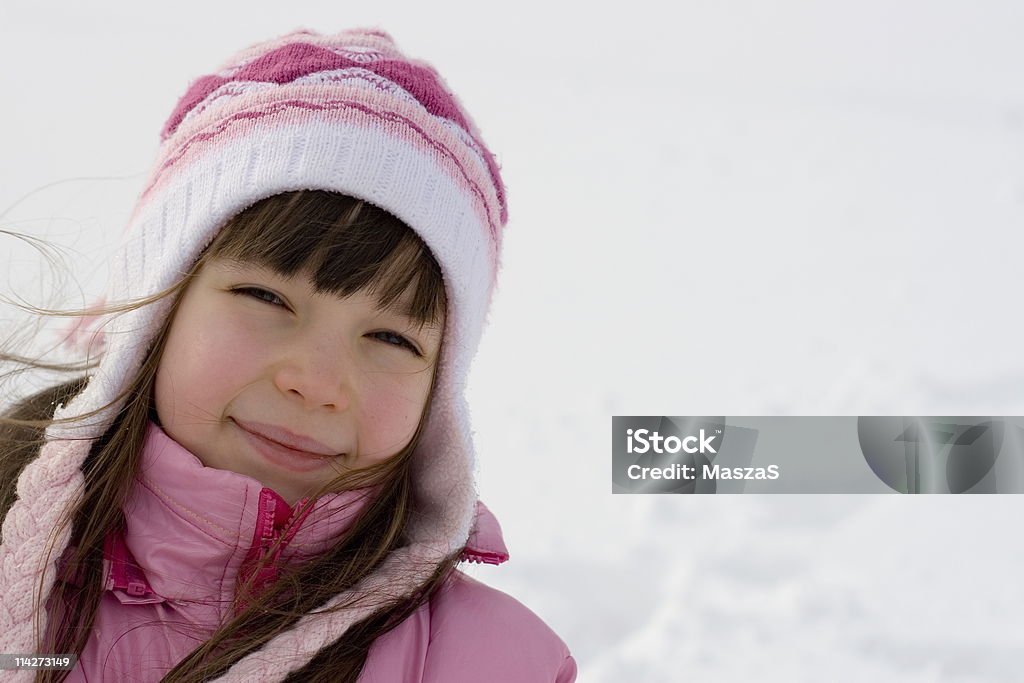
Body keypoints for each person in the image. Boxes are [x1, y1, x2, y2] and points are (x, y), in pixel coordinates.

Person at [0, 27, 577, 682]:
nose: (316, 381)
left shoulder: (488, 663)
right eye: (267, 297)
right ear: (156, 309)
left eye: (391, 337)